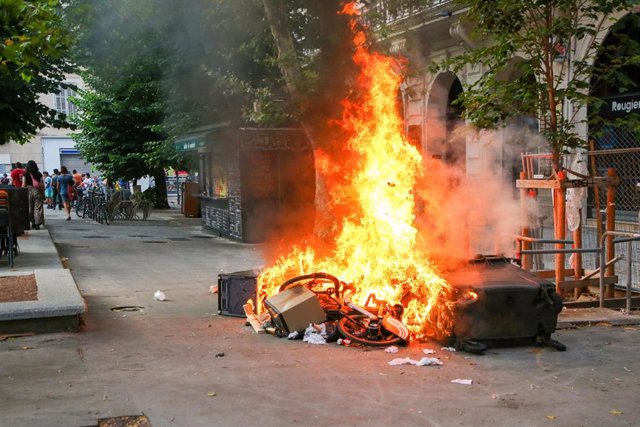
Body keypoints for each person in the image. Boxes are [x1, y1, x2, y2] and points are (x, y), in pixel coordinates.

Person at [22, 160, 45, 230]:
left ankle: (32, 222)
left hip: (28, 191)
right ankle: (37, 223)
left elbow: (23, 185)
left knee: (29, 208)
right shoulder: (39, 174)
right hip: (37, 191)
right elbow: (42, 184)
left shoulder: (25, 174)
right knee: (38, 208)